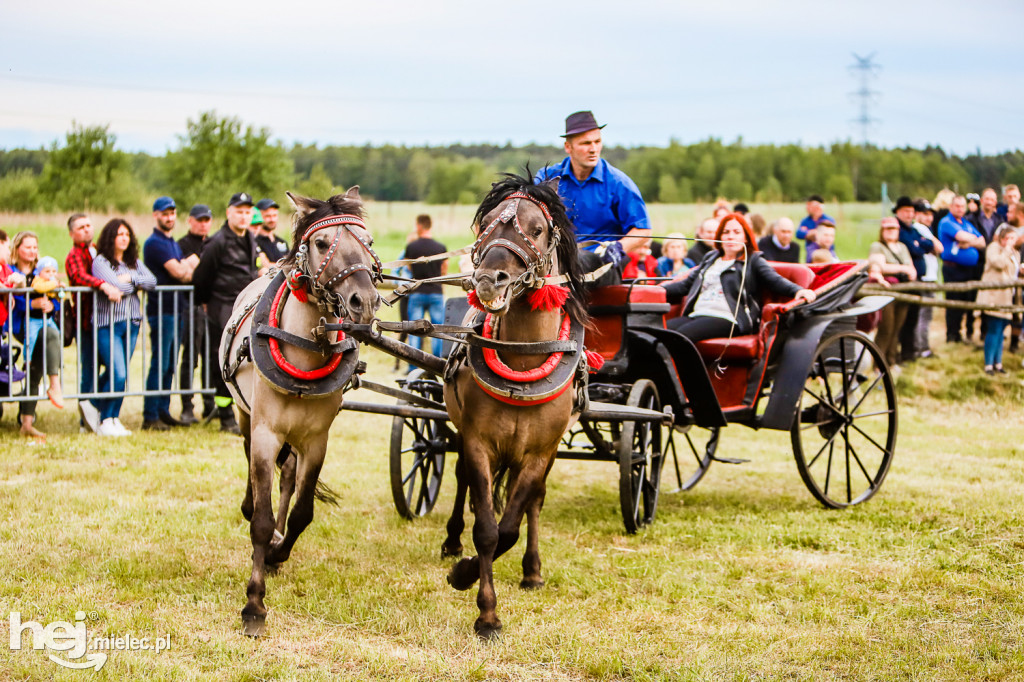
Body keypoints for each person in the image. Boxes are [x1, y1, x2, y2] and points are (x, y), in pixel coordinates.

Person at [534, 111, 650, 284]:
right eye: (586, 143)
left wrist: (618, 247)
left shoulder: (619, 183)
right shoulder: (547, 177)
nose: (593, 149)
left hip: (602, 264)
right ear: (568, 147)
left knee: (577, 262)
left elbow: (644, 231)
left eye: (597, 142)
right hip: (553, 261)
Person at [662, 214, 815, 343]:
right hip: (698, 314)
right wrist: (656, 289)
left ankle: (683, 378)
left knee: (680, 337)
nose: (730, 236)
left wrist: (798, 290)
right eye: (726, 232)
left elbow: (775, 280)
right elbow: (685, 285)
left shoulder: (753, 260)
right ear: (720, 237)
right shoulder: (710, 258)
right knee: (660, 331)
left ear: (746, 238)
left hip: (730, 318)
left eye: (736, 232)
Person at [191, 192, 259, 434]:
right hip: (221, 308)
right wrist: (205, 303)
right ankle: (225, 416)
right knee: (223, 361)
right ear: (229, 212)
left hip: (246, 307)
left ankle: (246, 408)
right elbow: (200, 278)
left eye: (247, 212)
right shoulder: (217, 242)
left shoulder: (250, 238)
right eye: (239, 211)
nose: (243, 216)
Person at [91, 219, 157, 436]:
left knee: (122, 372)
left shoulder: (133, 262)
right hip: (108, 323)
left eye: (127, 234)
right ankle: (102, 416)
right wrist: (132, 284)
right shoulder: (101, 261)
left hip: (132, 323)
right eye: (120, 234)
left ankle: (112, 417)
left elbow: (152, 281)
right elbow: (116, 286)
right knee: (118, 372)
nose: (124, 238)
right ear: (110, 237)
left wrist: (131, 277)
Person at [142, 196, 199, 431]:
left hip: (177, 309)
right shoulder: (154, 243)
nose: (169, 218)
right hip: (162, 310)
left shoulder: (172, 242)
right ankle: (150, 414)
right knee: (160, 361)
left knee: (170, 364)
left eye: (172, 213)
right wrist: (192, 262)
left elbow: (183, 270)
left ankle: (163, 410)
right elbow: (181, 274)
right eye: (165, 213)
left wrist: (186, 265)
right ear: (156, 215)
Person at [65, 213, 121, 433]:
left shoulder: (97, 250)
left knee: (113, 366)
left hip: (102, 319)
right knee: (89, 370)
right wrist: (104, 285)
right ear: (72, 233)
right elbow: (79, 277)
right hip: (85, 321)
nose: (86, 229)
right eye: (80, 227)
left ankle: (97, 409)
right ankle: (85, 422)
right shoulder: (74, 255)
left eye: (88, 225)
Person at [9, 231, 64, 439]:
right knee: (50, 335)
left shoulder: (42, 270)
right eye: (27, 247)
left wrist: (51, 305)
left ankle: (26, 422)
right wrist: (30, 303)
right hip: (21, 325)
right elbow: (10, 296)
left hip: (42, 323)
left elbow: (54, 296)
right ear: (17, 248)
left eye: (35, 247)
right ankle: (54, 385)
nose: (32, 251)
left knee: (35, 368)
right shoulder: (11, 270)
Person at [177, 204, 215, 424]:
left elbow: (205, 272)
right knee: (190, 358)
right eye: (199, 220)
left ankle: (210, 405)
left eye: (206, 220)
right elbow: (190, 274)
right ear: (190, 221)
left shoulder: (212, 244)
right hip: (190, 307)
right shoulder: (181, 244)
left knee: (212, 358)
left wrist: (197, 267)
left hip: (212, 308)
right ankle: (186, 407)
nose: (203, 224)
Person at [868, 218, 917, 368]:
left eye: (894, 229)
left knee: (897, 328)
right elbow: (879, 266)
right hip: (886, 290)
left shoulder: (902, 247)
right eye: (888, 229)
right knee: (886, 328)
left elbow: (911, 267)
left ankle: (891, 361)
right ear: (882, 231)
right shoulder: (877, 246)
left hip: (903, 289)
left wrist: (909, 272)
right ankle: (878, 364)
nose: (891, 232)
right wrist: (902, 269)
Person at [893, 195, 937, 362]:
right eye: (906, 211)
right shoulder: (899, 230)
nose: (909, 215)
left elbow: (929, 245)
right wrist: (919, 245)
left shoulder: (914, 229)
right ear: (898, 212)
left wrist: (920, 244)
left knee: (913, 317)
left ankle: (909, 352)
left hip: (918, 278)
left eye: (911, 212)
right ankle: (899, 353)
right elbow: (913, 248)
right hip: (904, 280)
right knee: (902, 319)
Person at [938, 195, 986, 343]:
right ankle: (952, 335)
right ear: (951, 207)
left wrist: (969, 243)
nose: (960, 209)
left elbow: (982, 241)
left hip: (968, 270)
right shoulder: (946, 222)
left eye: (962, 206)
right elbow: (961, 236)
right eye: (957, 206)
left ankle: (961, 333)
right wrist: (971, 239)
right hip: (953, 269)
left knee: (966, 302)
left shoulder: (965, 223)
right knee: (953, 302)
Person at [977, 225, 1021, 375]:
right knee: (994, 329)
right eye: (1008, 238)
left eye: (1013, 239)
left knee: (1002, 331)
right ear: (1002, 238)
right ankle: (988, 364)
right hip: (994, 297)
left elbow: (1013, 273)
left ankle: (998, 363)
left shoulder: (1016, 253)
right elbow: (998, 263)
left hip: (1008, 298)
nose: (1011, 241)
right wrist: (1006, 250)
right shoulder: (993, 248)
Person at [404, 214, 447, 366]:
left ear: (419, 226)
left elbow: (408, 267)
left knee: (415, 330)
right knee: (437, 330)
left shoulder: (412, 247)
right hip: (436, 292)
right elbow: (444, 270)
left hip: (417, 293)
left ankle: (413, 365)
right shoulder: (440, 247)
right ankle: (438, 364)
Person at [911, 199, 943, 359]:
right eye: (925, 214)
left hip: (929, 276)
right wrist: (933, 244)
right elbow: (939, 248)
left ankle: (921, 347)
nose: (929, 217)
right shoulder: (919, 228)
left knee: (925, 315)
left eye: (931, 214)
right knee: (924, 315)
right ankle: (921, 348)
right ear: (916, 214)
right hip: (925, 278)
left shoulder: (926, 230)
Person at [254, 198, 288, 264]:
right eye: (267, 216)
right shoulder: (255, 242)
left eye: (274, 215)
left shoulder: (282, 242)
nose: (272, 219)